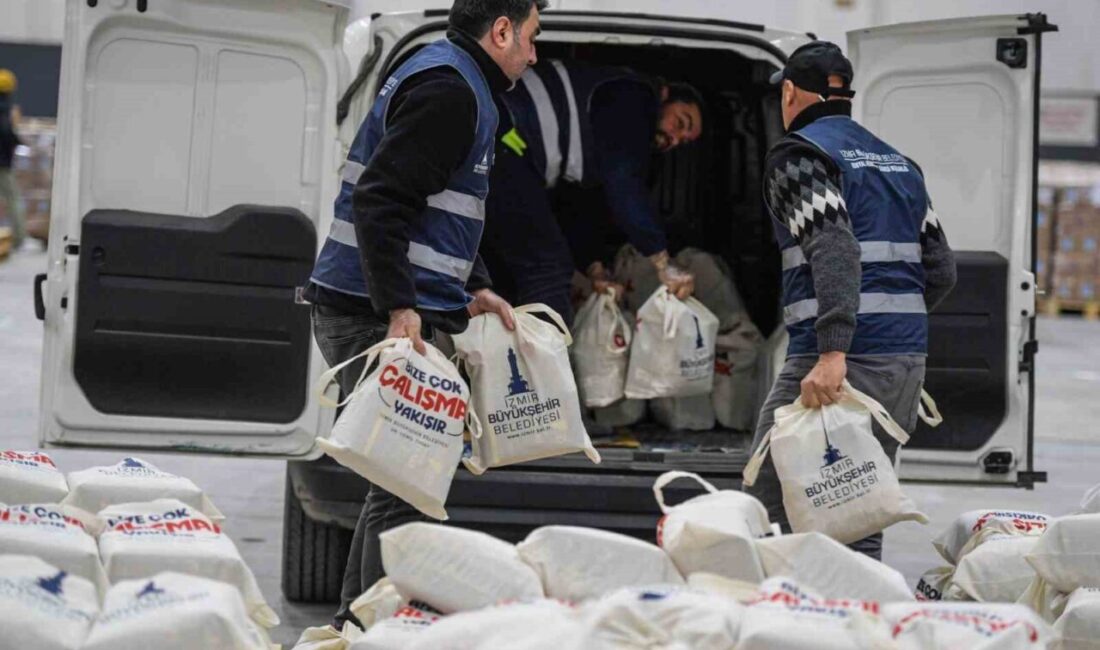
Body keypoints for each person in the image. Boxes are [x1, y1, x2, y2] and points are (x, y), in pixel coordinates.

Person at [303, 0, 546, 629]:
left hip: (368, 305)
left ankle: (357, 627)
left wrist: (475, 286)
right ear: (501, 31)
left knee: (400, 483)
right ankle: (366, 630)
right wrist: (400, 308)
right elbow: (382, 200)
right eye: (531, 37)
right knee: (406, 483)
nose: (534, 53)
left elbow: (439, 211)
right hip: (369, 314)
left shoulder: (454, 79)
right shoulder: (450, 93)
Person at [743, 42, 957, 560]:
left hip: (836, 364)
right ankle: (857, 607)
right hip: (901, 364)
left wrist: (834, 350)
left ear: (789, 93)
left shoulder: (800, 157)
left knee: (769, 502)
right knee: (858, 511)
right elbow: (941, 270)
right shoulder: (900, 165)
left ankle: (782, 608)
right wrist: (892, 329)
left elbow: (834, 245)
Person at [481, 60, 705, 325]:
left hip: (506, 146)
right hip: (504, 135)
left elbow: (579, 205)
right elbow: (624, 184)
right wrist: (662, 261)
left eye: (682, 142)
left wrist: (595, 268)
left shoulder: (604, 136)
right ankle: (543, 351)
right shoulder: (635, 96)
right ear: (665, 94)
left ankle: (504, 342)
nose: (674, 139)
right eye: (680, 122)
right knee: (549, 268)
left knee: (514, 262)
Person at [0, 69, 25, 250]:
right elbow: (6, 133)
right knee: (13, 198)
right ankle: (18, 238)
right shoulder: (5, 109)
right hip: (2, 163)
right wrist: (17, 142)